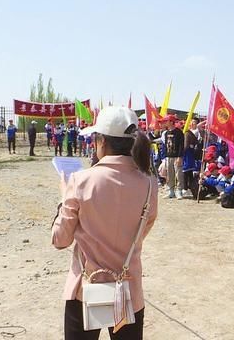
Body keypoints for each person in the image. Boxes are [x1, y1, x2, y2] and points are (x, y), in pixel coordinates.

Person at [52, 106, 157, 339]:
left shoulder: (80, 180)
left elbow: (60, 239)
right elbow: (143, 229)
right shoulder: (149, 182)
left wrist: (64, 198)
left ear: (101, 141)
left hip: (85, 287)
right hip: (128, 289)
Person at [163, 114, 185, 199]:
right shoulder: (166, 133)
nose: (165, 122)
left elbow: (181, 145)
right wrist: (165, 156)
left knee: (178, 174)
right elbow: (165, 145)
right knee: (169, 174)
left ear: (171, 122)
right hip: (168, 156)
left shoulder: (179, 132)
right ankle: (170, 191)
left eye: (167, 121)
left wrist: (180, 156)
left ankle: (179, 190)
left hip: (177, 156)